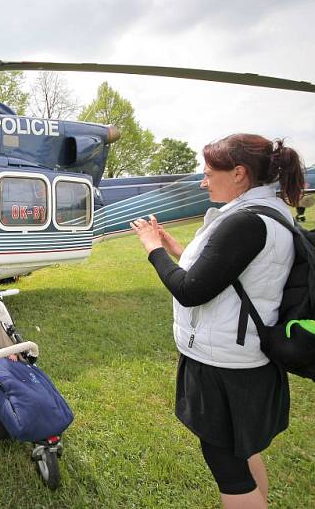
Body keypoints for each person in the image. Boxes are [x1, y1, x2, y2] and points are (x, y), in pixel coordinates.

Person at [130, 134, 304, 509]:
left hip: (224, 364)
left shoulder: (245, 222)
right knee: (241, 453)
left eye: (209, 173)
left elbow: (190, 290)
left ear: (239, 173)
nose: (203, 181)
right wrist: (176, 247)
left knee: (228, 467)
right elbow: (229, 270)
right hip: (247, 359)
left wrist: (152, 247)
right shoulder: (270, 212)